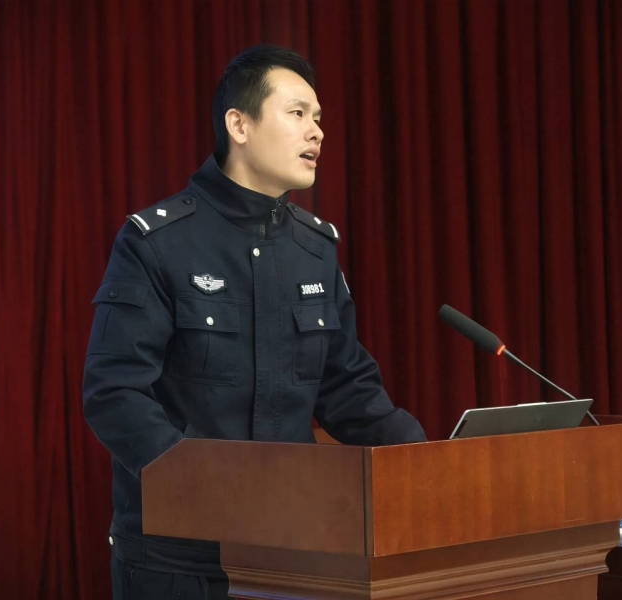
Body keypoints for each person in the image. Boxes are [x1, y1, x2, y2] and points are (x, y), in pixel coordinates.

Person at [83, 45, 427, 600]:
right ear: (239, 125)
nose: (317, 131)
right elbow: (114, 392)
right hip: (178, 556)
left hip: (292, 548)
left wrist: (427, 459)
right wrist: (211, 488)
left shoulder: (315, 248)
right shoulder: (157, 242)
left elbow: (348, 390)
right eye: (297, 113)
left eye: (319, 118)